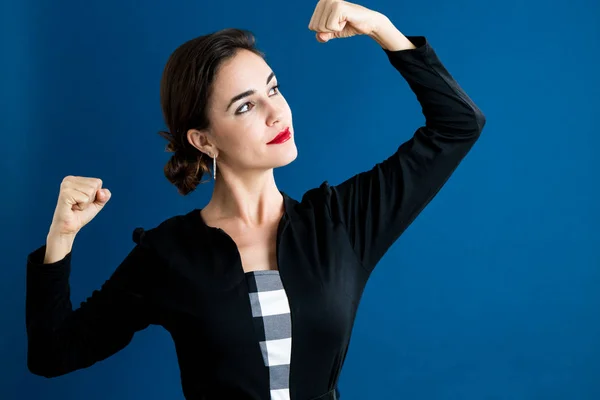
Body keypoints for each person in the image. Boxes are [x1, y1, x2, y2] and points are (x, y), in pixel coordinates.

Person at [25, 1, 486, 399]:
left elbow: (459, 125)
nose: (276, 112)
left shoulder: (341, 223)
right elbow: (53, 353)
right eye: (245, 106)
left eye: (273, 89)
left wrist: (382, 28)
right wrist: (61, 237)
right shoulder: (170, 255)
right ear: (203, 140)